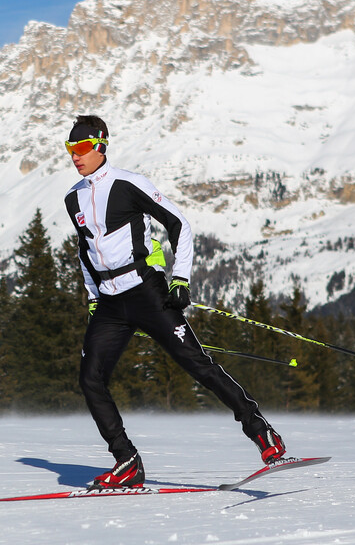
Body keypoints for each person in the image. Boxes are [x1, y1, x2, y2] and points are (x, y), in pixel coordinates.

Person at [63, 114, 285, 489]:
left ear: (101, 145)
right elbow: (84, 250)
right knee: (90, 379)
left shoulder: (128, 184)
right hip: (110, 304)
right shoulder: (74, 197)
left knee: (198, 366)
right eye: (70, 149)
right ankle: (127, 460)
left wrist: (180, 277)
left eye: (83, 148)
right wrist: (91, 296)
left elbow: (179, 223)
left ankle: (262, 433)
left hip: (146, 292)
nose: (76, 156)